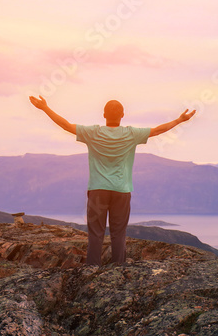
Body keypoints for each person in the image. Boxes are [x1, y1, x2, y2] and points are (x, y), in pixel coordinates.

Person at [28, 95, 195, 266]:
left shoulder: (93, 133)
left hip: (98, 190)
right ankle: (118, 269)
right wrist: (180, 120)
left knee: (95, 234)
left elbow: (66, 125)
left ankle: (92, 269)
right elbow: (158, 130)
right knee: (118, 233)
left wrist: (45, 108)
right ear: (122, 115)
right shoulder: (132, 134)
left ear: (104, 115)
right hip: (121, 191)